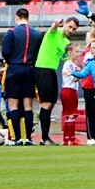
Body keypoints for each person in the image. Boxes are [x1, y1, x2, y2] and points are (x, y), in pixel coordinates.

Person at [34, 16, 80, 145]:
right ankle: (44, 138)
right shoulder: (54, 33)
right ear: (64, 24)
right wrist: (55, 23)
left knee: (51, 104)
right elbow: (53, 28)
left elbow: (67, 59)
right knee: (46, 103)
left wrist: (76, 67)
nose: (71, 30)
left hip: (51, 71)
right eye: (70, 27)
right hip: (42, 69)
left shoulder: (65, 43)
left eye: (74, 29)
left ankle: (45, 137)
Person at [0, 7, 41, 145]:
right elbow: (38, 54)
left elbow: (5, 51)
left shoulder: (11, 32)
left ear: (17, 17)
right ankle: (28, 138)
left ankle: (17, 138)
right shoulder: (36, 33)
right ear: (28, 17)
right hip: (29, 70)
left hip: (14, 69)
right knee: (28, 105)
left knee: (13, 105)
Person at [60, 43, 83, 145]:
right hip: (69, 90)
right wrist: (81, 74)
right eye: (77, 51)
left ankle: (66, 139)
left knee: (69, 115)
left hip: (69, 90)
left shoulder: (73, 65)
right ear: (69, 53)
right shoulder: (68, 64)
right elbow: (73, 79)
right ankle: (72, 139)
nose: (79, 54)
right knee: (72, 115)